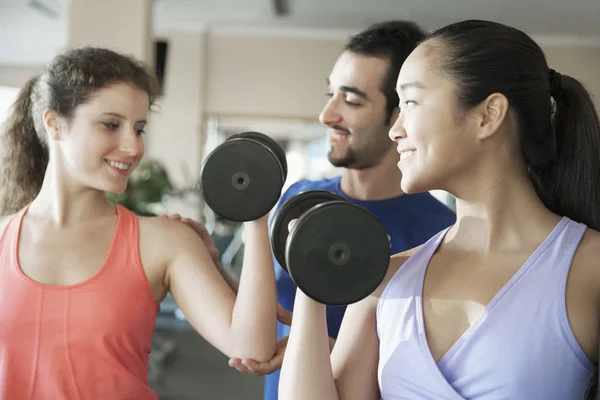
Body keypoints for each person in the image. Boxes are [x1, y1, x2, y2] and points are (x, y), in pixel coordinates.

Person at [277, 18, 600, 400]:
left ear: (488, 115)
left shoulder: (588, 268)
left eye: (410, 102)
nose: (395, 130)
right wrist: (311, 283)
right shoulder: (385, 281)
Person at [0, 47, 277, 400]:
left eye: (140, 128)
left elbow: (251, 346)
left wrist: (256, 215)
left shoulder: (164, 240)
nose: (133, 147)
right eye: (111, 125)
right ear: (54, 124)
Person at [228, 20, 457, 400]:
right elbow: (265, 307)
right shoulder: (299, 198)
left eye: (351, 100)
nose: (326, 115)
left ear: (401, 114)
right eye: (330, 94)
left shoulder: (440, 232)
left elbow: (430, 370)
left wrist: (320, 351)